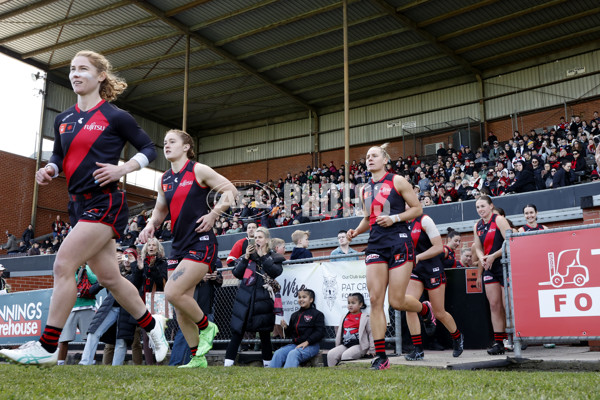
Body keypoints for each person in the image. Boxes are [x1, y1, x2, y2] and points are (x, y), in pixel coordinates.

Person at [0, 50, 168, 367]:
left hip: (105, 201)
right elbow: (58, 158)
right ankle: (152, 324)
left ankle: (47, 347)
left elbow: (149, 149)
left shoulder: (116, 116)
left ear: (100, 75)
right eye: (72, 70)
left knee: (63, 263)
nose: (75, 74)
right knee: (110, 278)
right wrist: (50, 170)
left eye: (83, 69)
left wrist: (123, 169)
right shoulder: (62, 119)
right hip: (77, 205)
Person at [138, 129, 238, 369]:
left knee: (172, 292)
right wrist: (152, 225)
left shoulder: (198, 170)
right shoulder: (164, 179)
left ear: (186, 147)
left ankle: (207, 326)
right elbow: (161, 209)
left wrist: (214, 215)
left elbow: (231, 191)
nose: (166, 145)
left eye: (172, 141)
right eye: (164, 142)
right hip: (178, 245)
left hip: (201, 243)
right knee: (180, 304)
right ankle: (198, 358)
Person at [347, 143, 431, 370]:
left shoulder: (397, 181)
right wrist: (356, 231)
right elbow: (368, 218)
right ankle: (381, 356)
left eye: (374, 155)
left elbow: (417, 209)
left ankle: (424, 309)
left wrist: (394, 219)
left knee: (396, 301)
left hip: (398, 241)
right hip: (376, 243)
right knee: (375, 300)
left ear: (385, 160)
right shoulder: (364, 189)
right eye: (367, 156)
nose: (369, 158)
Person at [224, 227, 284, 367]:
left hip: (263, 300)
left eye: (260, 237)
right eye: (255, 237)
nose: (257, 240)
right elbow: (237, 273)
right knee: (238, 332)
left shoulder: (273, 256)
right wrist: (245, 257)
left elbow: (276, 272)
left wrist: (262, 256)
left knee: (264, 334)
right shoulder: (248, 256)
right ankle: (228, 363)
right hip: (245, 299)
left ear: (267, 239)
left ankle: (267, 365)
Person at [406, 214, 463, 360]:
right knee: (409, 306)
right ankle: (418, 349)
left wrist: (418, 257)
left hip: (433, 269)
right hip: (415, 270)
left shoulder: (424, 220)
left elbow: (438, 248)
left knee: (439, 312)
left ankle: (457, 337)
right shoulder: (401, 223)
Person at [473, 195, 512, 355]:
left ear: (491, 206)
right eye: (477, 207)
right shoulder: (477, 225)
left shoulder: (500, 220)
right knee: (494, 305)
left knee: (507, 305)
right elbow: (478, 246)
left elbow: (509, 242)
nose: (480, 210)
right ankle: (499, 343)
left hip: (503, 265)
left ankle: (515, 338)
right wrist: (482, 257)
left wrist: (493, 256)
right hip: (488, 267)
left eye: (483, 206)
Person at [169, 259, 223, 366]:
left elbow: (220, 282)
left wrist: (215, 277)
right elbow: (179, 281)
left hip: (207, 304)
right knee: (183, 333)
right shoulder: (187, 260)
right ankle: (175, 362)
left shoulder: (213, 260)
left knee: (200, 337)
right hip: (191, 303)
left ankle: (193, 361)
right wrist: (200, 279)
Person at [57, 264, 101, 365]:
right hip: (69, 307)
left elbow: (95, 281)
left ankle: (91, 362)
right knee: (64, 338)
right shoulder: (69, 267)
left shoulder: (90, 266)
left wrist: (84, 268)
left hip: (87, 306)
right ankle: (60, 364)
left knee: (89, 338)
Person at [269, 288, 325, 368]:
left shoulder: (318, 314)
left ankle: (288, 378)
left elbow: (320, 332)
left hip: (311, 345)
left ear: (311, 300)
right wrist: (285, 328)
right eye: (299, 297)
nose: (301, 299)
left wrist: (307, 342)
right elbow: (290, 334)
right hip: (295, 345)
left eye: (304, 297)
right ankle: (271, 378)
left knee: (293, 354)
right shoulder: (294, 315)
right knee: (278, 353)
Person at [327, 293, 374, 367]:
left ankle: (348, 374)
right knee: (331, 354)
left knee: (346, 355)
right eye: (348, 303)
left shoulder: (365, 317)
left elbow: (371, 333)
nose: (350, 305)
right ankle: (334, 374)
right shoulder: (344, 317)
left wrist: (372, 349)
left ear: (360, 304)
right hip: (345, 344)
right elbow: (339, 333)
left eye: (353, 303)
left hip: (359, 345)